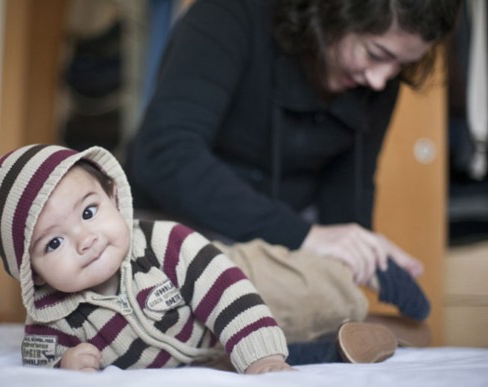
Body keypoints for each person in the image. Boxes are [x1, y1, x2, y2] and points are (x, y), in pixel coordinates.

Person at [0, 144, 401, 373]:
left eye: (89, 213)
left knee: (319, 295)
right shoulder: (56, 311)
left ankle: (386, 287)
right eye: (53, 244)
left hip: (240, 286)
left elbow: (226, 292)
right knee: (294, 351)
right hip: (214, 353)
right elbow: (36, 350)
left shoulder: (165, 243)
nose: (85, 240)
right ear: (30, 271)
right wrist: (63, 361)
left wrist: (261, 355)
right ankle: (363, 343)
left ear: (111, 195)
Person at [127, 0, 462, 287]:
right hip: (173, 224)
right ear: (337, 10)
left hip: (279, 241)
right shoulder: (228, 14)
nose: (380, 80)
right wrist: (304, 236)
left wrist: (362, 255)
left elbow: (348, 189)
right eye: (375, 53)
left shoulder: (378, 79)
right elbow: (165, 155)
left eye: (400, 64)